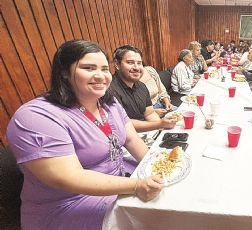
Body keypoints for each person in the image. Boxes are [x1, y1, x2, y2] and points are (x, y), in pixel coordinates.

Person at [6, 40, 163, 230]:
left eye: (104, 69)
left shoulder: (109, 102)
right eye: (89, 68)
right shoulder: (35, 116)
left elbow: (131, 139)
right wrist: (137, 186)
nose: (100, 76)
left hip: (121, 182)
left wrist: (156, 167)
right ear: (64, 72)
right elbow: (69, 177)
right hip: (69, 205)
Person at [110, 45, 176, 132]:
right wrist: (159, 124)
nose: (136, 67)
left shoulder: (141, 86)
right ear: (117, 64)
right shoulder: (110, 89)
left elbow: (150, 113)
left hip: (147, 133)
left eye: (139, 63)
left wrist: (161, 129)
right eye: (130, 62)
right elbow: (124, 123)